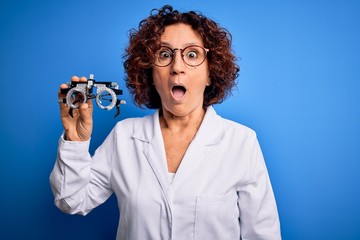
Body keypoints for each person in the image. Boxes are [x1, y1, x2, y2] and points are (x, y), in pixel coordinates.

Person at [50, 5, 281, 240]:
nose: (177, 67)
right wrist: (75, 141)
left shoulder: (241, 143)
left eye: (192, 54)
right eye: (164, 54)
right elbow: (71, 200)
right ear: (150, 72)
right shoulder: (125, 136)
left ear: (211, 72)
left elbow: (264, 235)